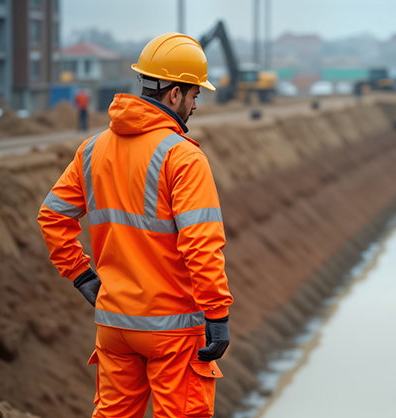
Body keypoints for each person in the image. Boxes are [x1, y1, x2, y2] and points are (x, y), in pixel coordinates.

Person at [37, 32, 233, 418]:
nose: (196, 105)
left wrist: (82, 276)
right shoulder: (184, 158)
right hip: (173, 330)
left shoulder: (93, 149)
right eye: (195, 95)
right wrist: (217, 313)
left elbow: (53, 215)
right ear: (174, 94)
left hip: (115, 327)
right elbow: (201, 245)